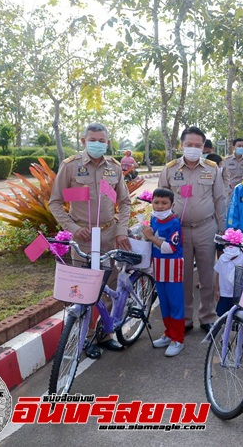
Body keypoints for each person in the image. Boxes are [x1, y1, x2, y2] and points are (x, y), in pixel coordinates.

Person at [49, 122, 131, 358]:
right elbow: (55, 201)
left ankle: (104, 334)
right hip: (83, 237)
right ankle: (85, 339)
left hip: (108, 234)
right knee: (83, 290)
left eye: (102, 140)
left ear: (107, 142)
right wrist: (73, 228)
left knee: (109, 286)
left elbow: (124, 202)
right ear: (84, 141)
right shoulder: (70, 166)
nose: (98, 144)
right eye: (93, 139)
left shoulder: (114, 168)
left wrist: (121, 230)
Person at [158, 126, 225, 332]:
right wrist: (162, 231)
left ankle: (207, 316)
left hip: (206, 227)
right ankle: (185, 318)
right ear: (181, 145)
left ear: (203, 147)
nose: (193, 149)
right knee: (183, 276)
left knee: (206, 276)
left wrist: (222, 233)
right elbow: (159, 200)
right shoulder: (170, 169)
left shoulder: (212, 168)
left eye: (198, 145)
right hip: (179, 231)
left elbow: (220, 200)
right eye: (189, 145)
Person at [141, 188, 185, 357]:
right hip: (158, 267)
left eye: (164, 203)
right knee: (164, 305)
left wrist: (151, 237)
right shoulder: (153, 218)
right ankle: (169, 334)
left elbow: (170, 248)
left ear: (172, 204)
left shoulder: (174, 222)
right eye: (156, 202)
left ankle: (178, 339)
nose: (159, 206)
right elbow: (152, 241)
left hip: (173, 268)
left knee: (175, 305)